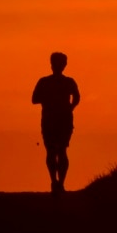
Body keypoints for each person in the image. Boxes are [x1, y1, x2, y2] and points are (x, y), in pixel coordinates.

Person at [31, 51, 81, 194]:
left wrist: (70, 107)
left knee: (57, 151)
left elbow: (77, 97)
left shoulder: (51, 82)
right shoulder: (51, 82)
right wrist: (68, 106)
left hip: (57, 120)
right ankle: (56, 182)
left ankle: (57, 182)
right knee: (56, 151)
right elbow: (34, 99)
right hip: (54, 120)